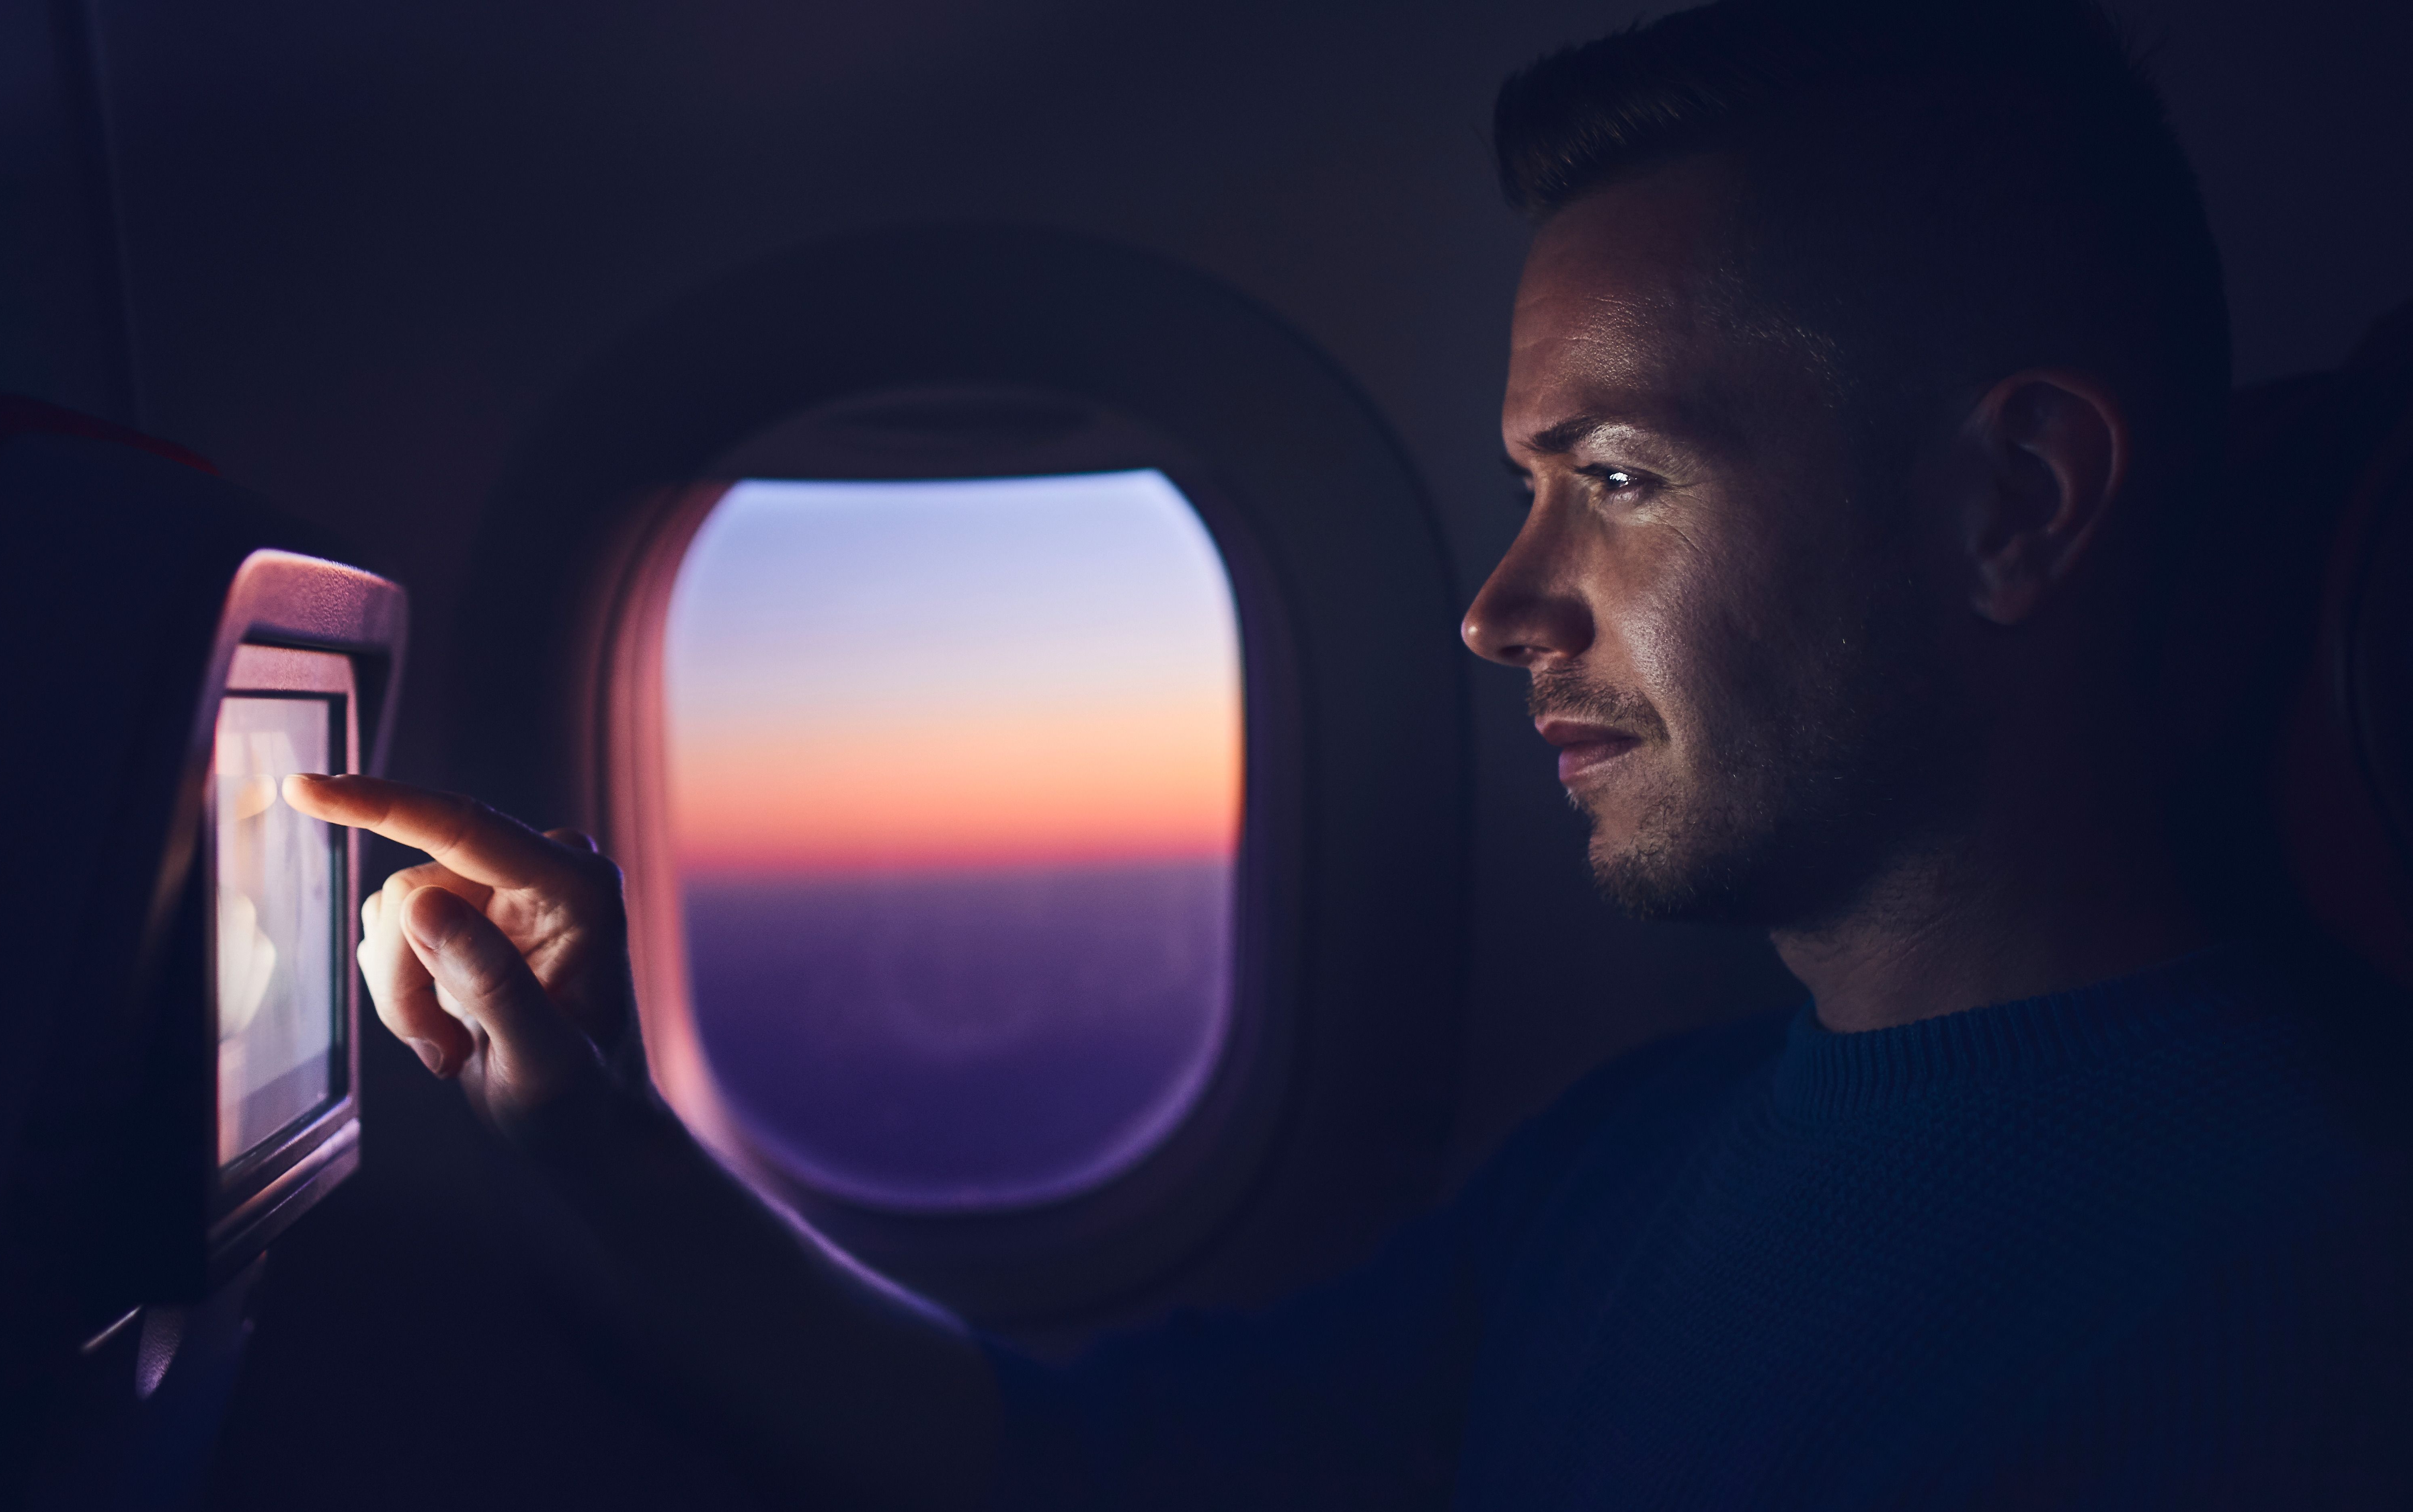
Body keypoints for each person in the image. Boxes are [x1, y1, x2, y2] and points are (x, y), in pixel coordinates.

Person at [285, 0, 2413, 1504]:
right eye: (1524, 484)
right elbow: (1067, 1468)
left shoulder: (2301, 1307)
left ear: (2015, 503)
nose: (1499, 606)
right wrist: (596, 1127)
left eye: (1625, 478)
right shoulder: (1637, 1162)